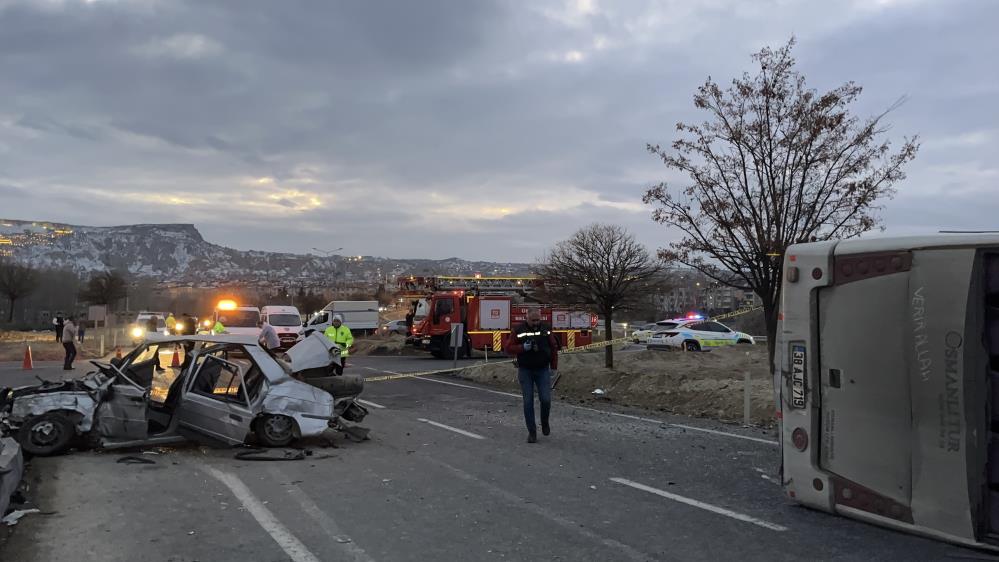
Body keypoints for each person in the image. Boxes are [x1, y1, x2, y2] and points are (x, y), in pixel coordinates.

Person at [504, 309, 560, 443]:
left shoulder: (546, 329)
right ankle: (532, 432)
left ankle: (544, 422)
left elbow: (553, 347)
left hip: (542, 370)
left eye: (538, 320)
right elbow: (508, 348)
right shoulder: (518, 330)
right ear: (527, 318)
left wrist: (554, 367)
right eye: (533, 320)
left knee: (546, 399)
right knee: (528, 401)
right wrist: (523, 348)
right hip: (525, 370)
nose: (536, 323)